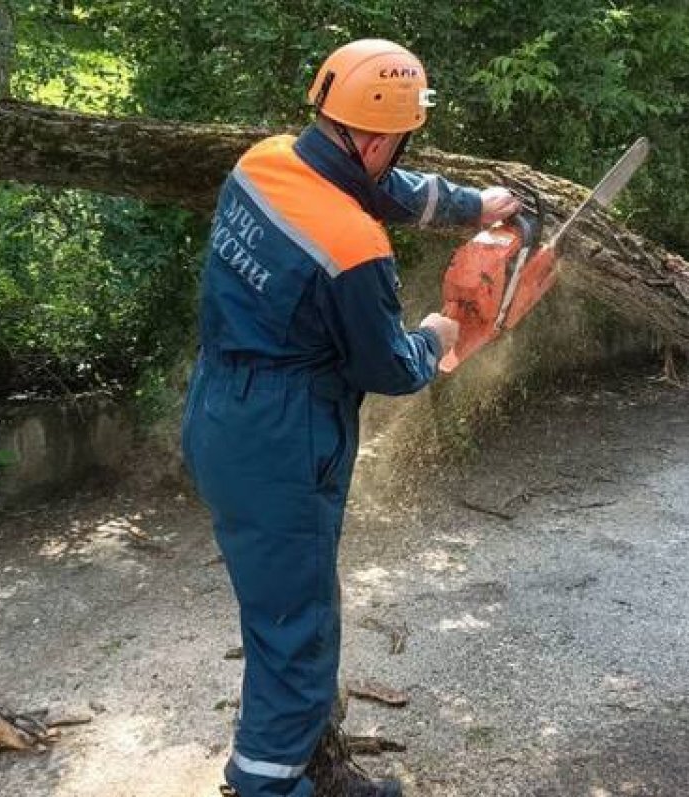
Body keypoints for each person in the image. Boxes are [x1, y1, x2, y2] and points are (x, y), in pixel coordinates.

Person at [181, 39, 520, 797]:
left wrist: (473, 207)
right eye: (396, 141)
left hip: (218, 407)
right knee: (295, 629)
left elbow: (381, 187)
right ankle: (268, 785)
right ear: (374, 141)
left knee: (283, 609)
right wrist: (436, 334)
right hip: (281, 440)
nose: (394, 156)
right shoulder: (352, 244)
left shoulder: (264, 163)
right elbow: (387, 367)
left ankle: (305, 766)